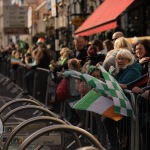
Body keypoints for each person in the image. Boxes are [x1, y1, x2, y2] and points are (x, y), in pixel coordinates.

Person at [103, 49, 142, 150]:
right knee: (107, 119)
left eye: (122, 59)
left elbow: (119, 85)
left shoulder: (133, 71)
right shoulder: (120, 70)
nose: (119, 61)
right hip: (122, 105)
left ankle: (115, 146)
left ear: (129, 60)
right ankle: (115, 146)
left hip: (130, 106)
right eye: (118, 59)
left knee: (110, 121)